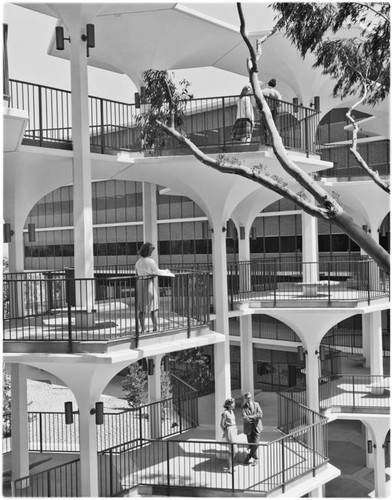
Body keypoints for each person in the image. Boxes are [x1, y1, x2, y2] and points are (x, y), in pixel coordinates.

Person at [135, 242, 174, 333]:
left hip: (140, 284)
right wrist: (167, 271)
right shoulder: (150, 261)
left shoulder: (138, 262)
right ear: (148, 252)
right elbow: (157, 272)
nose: (152, 253)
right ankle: (155, 327)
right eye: (151, 251)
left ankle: (143, 328)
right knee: (154, 306)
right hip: (148, 284)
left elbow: (137, 274)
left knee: (142, 308)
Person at [241, 392, 263, 466]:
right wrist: (254, 417)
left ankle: (250, 456)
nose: (249, 399)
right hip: (249, 428)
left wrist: (250, 417)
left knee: (256, 443)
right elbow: (245, 418)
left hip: (257, 427)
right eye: (247, 398)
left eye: (250, 397)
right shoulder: (243, 407)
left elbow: (260, 414)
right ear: (245, 399)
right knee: (251, 444)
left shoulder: (256, 404)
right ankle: (255, 458)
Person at [261, 78, 282, 142]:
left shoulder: (263, 91)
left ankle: (265, 141)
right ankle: (273, 141)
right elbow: (279, 103)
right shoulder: (276, 92)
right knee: (274, 127)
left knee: (265, 126)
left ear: (268, 84)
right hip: (273, 111)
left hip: (264, 110)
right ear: (275, 85)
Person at [220, 397, 237, 473]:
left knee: (233, 450)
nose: (234, 404)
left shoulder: (232, 411)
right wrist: (225, 431)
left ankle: (229, 464)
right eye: (233, 403)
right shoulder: (225, 413)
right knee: (233, 449)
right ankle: (230, 467)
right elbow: (221, 424)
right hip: (229, 430)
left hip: (234, 430)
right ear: (229, 404)